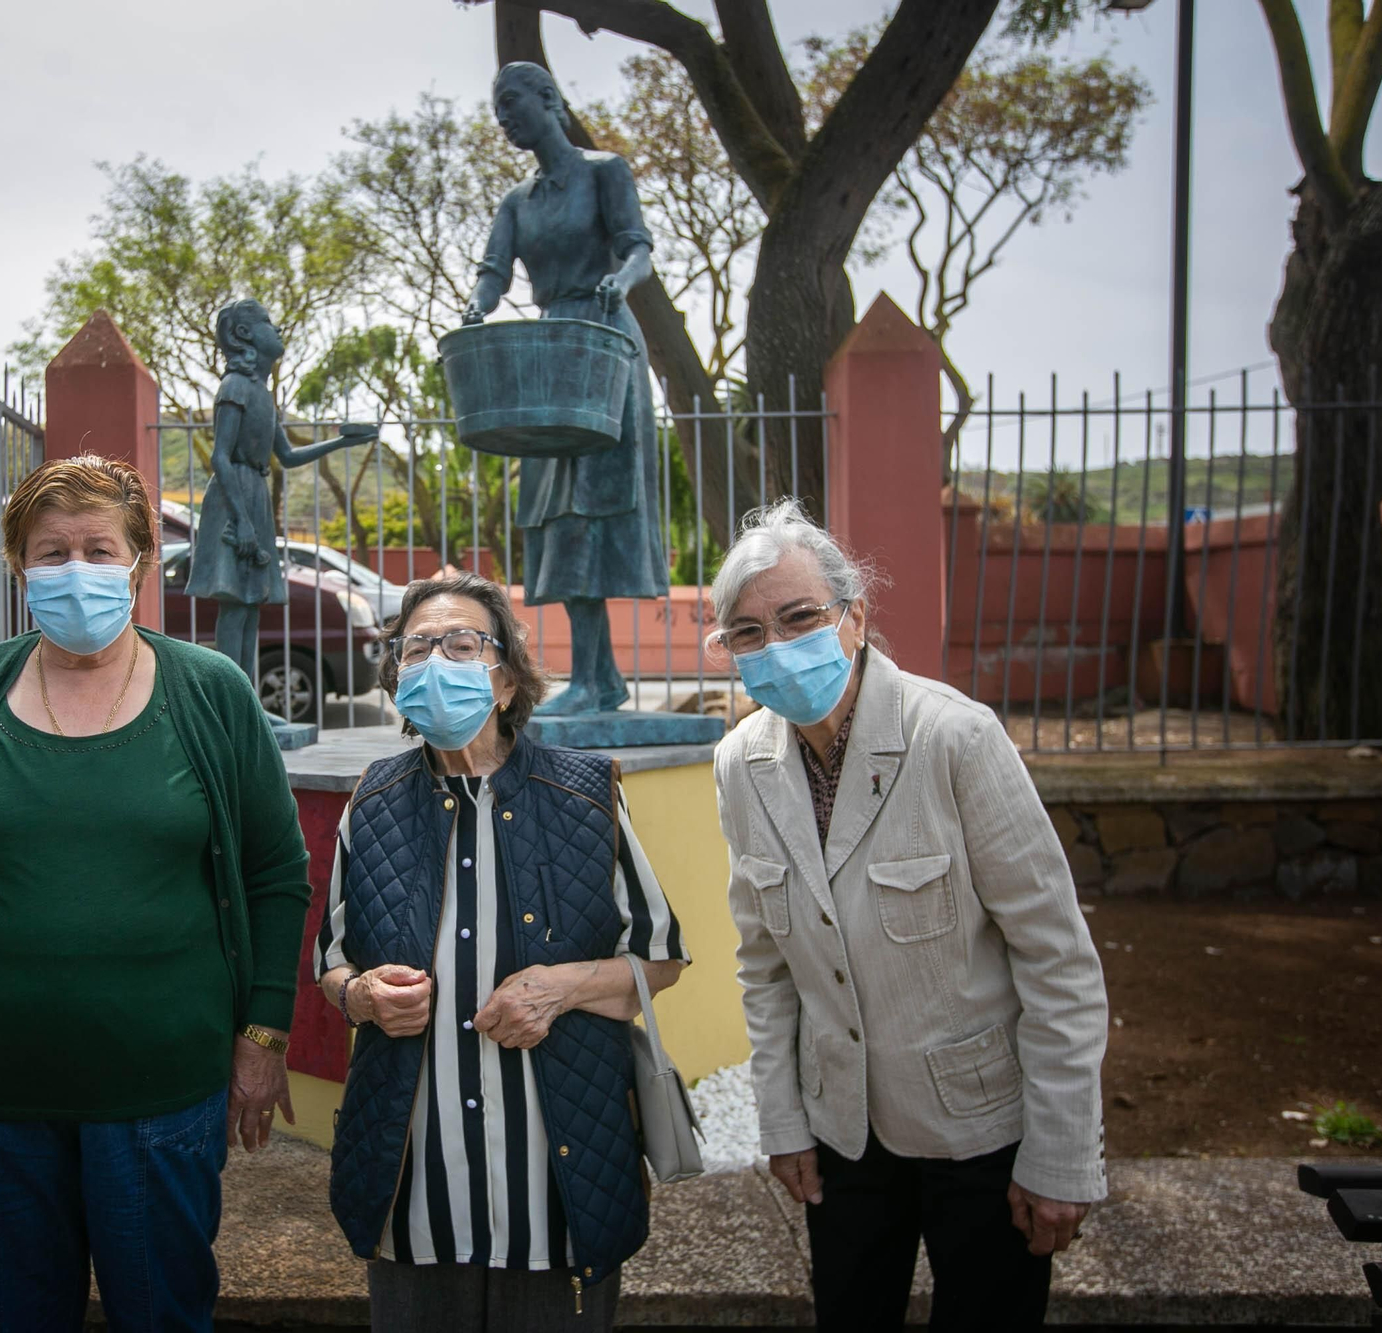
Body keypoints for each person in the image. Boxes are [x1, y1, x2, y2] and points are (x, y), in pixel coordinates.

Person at [0, 454, 312, 1333]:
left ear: (139, 563)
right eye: (51, 551)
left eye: (98, 548)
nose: (76, 570)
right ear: (19, 567)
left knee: (164, 1313)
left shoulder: (211, 691)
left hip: (163, 1100)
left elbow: (275, 875)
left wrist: (263, 1035)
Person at [708, 500, 1108, 1331]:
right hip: (841, 1138)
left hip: (980, 1130)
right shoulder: (740, 765)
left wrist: (1063, 1155)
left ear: (854, 616)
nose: (776, 647)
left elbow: (1056, 958)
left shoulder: (955, 738)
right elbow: (765, 961)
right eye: (747, 632)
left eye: (799, 617)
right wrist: (784, 1119)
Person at [315, 573, 691, 1331]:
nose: (434, 661)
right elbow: (331, 961)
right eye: (415, 648)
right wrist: (360, 995)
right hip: (414, 1196)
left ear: (507, 676)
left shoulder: (586, 794)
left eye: (460, 643)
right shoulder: (373, 800)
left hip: (559, 1195)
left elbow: (660, 956)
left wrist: (562, 987)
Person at [462, 62, 670, 716]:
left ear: (549, 99)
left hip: (605, 340)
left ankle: (597, 678)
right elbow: (492, 272)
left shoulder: (606, 171)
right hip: (552, 351)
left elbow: (638, 247)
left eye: (511, 102)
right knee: (562, 514)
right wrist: (477, 304)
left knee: (601, 506)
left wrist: (622, 281)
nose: (504, 118)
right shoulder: (517, 202)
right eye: (497, 109)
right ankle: (597, 678)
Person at [185, 298, 374, 704]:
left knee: (251, 604)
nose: (279, 330)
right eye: (269, 323)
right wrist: (243, 522)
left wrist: (343, 441)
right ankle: (230, 700)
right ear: (245, 335)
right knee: (234, 605)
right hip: (234, 498)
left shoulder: (262, 394)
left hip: (253, 495)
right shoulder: (235, 386)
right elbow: (220, 456)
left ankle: (248, 701)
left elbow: (287, 457)